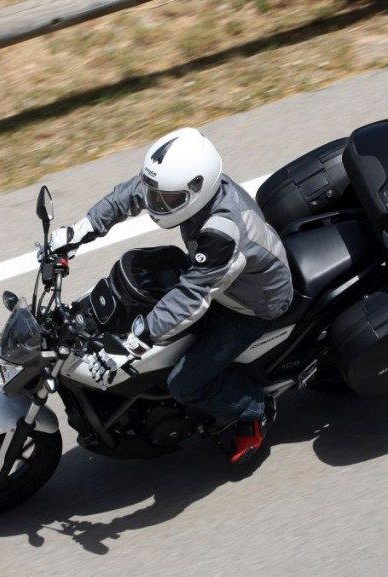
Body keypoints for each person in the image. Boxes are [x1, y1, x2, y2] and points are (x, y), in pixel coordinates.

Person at [48, 127, 293, 464]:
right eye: (156, 195)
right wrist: (81, 230)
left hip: (251, 305)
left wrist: (135, 344)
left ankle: (255, 406)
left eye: (166, 200)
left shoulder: (222, 231)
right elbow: (131, 194)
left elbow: (193, 296)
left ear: (197, 189)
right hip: (218, 279)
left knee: (184, 383)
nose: (155, 204)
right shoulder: (180, 187)